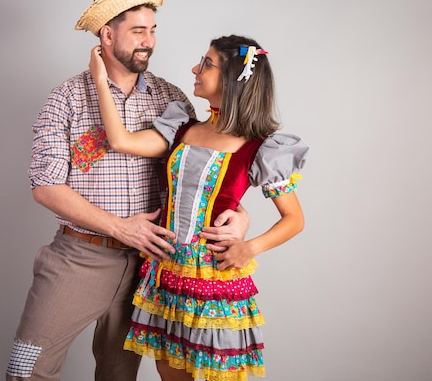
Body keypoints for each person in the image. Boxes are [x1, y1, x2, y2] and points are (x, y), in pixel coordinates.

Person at [6, 0, 250, 381]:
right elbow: (46, 187)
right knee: (26, 368)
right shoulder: (64, 99)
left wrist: (238, 214)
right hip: (81, 257)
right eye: (138, 31)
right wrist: (122, 228)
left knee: (119, 376)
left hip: (153, 264)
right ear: (107, 34)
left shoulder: (172, 100)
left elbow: (204, 171)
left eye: (153, 30)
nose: (149, 41)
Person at [88, 34, 309, 381]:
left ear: (234, 78)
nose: (195, 68)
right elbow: (121, 141)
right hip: (167, 271)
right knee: (171, 373)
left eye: (207, 63)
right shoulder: (182, 127)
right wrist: (101, 80)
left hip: (214, 277)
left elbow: (294, 219)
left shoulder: (260, 147)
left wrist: (249, 247)